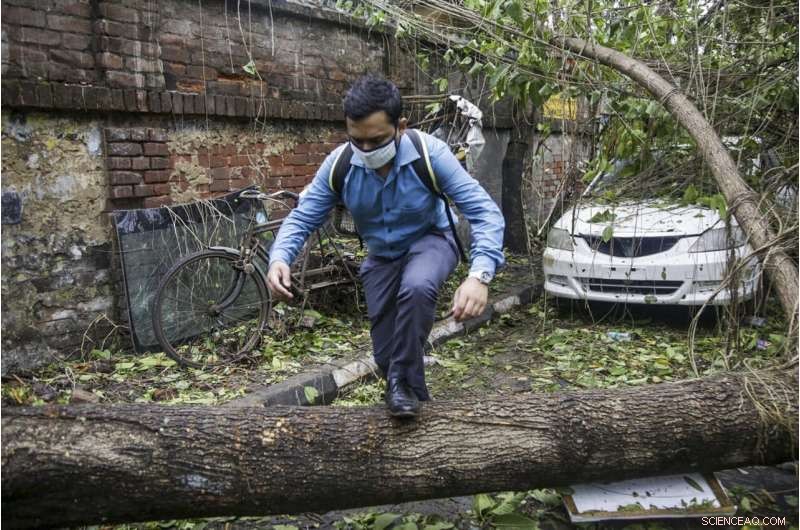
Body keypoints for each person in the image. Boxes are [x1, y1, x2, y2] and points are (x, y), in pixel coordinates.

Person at [266, 75, 505, 418]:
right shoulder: (340, 164)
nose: (365, 150)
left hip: (433, 241)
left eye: (376, 140)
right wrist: (279, 259)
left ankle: (401, 386)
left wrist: (480, 276)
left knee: (417, 287)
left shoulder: (430, 154)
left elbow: (485, 214)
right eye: (356, 140)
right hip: (381, 256)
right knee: (386, 354)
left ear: (401, 127)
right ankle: (414, 401)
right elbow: (303, 218)